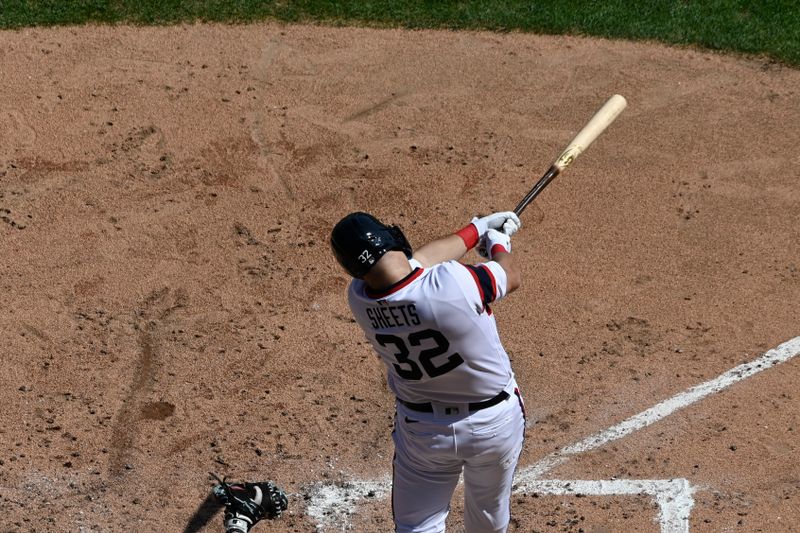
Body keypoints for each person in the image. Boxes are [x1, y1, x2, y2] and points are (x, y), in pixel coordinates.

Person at [330, 211, 526, 533]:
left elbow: (418, 262)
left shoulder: (359, 298)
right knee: (488, 516)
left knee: (417, 526)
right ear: (386, 239)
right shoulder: (452, 282)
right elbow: (510, 276)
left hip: (423, 434)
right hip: (494, 424)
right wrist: (499, 245)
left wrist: (476, 230)